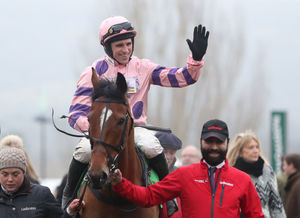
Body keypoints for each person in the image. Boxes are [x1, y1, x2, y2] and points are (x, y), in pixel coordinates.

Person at [63, 15, 209, 211]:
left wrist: (196, 60)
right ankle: (66, 200)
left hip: (136, 129)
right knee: (82, 151)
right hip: (100, 135)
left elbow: (181, 78)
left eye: (128, 44)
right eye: (119, 46)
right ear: (108, 48)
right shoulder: (93, 72)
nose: (125, 50)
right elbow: (76, 113)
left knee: (152, 145)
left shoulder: (144, 68)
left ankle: (169, 201)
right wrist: (99, 130)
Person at [108, 119, 264, 218]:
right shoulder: (184, 175)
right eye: (209, 141)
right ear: (201, 142)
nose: (214, 147)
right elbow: (149, 196)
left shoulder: (242, 180)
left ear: (227, 143)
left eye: (219, 142)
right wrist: (121, 184)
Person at [227, 130, 286, 218]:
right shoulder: (231, 173)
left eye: (257, 147)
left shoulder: (267, 172)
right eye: (251, 147)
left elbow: (276, 205)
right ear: (240, 151)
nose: (255, 151)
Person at [0, 147, 63, 217]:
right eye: (5, 174)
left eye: (15, 174)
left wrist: (69, 212)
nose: (10, 179)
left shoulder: (41, 194)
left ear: (24, 173)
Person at [155, 131, 183, 218]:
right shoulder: (147, 173)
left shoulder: (179, 175)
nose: (167, 157)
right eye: (164, 151)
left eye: (171, 153)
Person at [282, 153, 300, 218]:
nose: (283, 168)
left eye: (284, 165)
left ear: (291, 165)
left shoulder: (298, 184)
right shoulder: (293, 182)